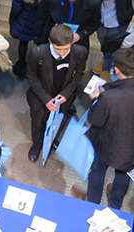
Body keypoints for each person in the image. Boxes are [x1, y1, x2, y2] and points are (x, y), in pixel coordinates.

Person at [85, 48, 134, 209]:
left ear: (116, 70)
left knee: (98, 171)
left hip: (107, 145)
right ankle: (115, 205)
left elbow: (95, 120)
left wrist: (95, 100)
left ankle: (92, 204)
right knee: (124, 175)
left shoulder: (109, 98)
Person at [25, 24, 87, 162]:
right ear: (49, 41)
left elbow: (79, 74)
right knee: (38, 122)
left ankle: (50, 140)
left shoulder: (80, 52)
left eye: (66, 49)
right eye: (58, 49)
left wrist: (65, 94)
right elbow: (32, 77)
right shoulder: (37, 52)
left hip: (63, 95)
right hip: (40, 95)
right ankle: (37, 144)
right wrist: (46, 99)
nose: (61, 53)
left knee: (57, 121)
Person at [9, 0, 59, 78]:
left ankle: (21, 66)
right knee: (41, 46)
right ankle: (38, 68)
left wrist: (13, 20)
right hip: (44, 22)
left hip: (26, 21)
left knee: (23, 43)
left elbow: (16, 9)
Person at [37, 0, 101, 50]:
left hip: (78, 43)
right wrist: (40, 42)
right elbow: (41, 20)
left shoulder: (93, 3)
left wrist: (80, 35)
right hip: (52, 41)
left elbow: (95, 24)